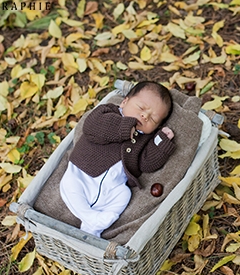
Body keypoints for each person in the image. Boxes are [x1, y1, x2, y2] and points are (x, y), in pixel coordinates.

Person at [59, 81, 176, 236]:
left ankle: (93, 229)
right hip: (82, 173)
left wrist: (161, 143)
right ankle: (89, 218)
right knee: (70, 187)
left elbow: (146, 164)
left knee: (124, 195)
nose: (145, 116)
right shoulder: (108, 113)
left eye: (153, 119)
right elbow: (91, 127)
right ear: (124, 101)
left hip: (113, 187)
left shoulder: (145, 139)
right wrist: (125, 127)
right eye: (141, 108)